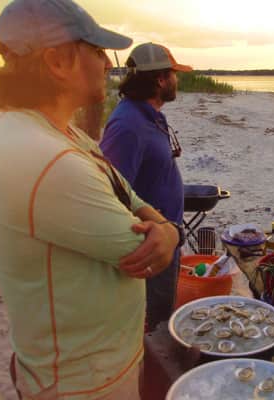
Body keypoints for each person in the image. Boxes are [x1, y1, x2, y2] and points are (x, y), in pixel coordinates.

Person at [0, 0, 184, 398]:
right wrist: (169, 231)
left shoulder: (55, 132)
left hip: (94, 366)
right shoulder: (43, 158)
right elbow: (146, 251)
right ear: (57, 61)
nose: (107, 65)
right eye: (97, 51)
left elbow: (126, 190)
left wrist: (161, 224)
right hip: (81, 384)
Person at [100, 42, 193, 330]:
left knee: (163, 313)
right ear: (160, 79)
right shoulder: (127, 126)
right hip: (150, 246)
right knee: (154, 324)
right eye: (174, 74)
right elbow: (111, 193)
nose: (177, 80)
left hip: (166, 237)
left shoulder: (148, 114)